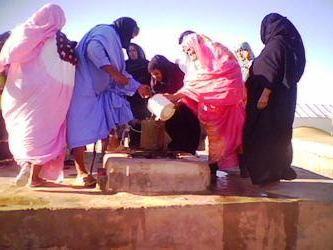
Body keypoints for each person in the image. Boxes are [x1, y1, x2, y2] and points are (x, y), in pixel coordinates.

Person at [67, 17, 150, 186]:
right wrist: (113, 73)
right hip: (83, 88)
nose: (131, 40)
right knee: (79, 130)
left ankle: (97, 164)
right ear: (125, 29)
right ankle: (81, 172)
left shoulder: (114, 41)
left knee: (102, 125)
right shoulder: (106, 32)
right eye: (131, 35)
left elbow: (121, 73)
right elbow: (93, 49)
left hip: (98, 92)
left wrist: (138, 87)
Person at [0, 4, 77, 187]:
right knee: (44, 133)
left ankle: (26, 166)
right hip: (53, 97)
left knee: (24, 129)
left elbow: (10, 53)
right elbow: (71, 68)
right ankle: (34, 175)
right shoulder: (62, 40)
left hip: (23, 90)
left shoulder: (26, 31)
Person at [165, 32, 245, 174]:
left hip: (229, 106)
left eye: (189, 49)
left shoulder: (217, 51)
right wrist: (178, 98)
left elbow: (225, 74)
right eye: (186, 51)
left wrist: (176, 95)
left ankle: (240, 169)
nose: (189, 53)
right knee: (216, 141)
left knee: (235, 138)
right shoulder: (195, 65)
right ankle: (214, 167)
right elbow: (194, 83)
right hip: (211, 110)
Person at [241, 13, 306, 185]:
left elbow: (272, 70)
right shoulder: (289, 46)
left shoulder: (276, 44)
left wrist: (265, 94)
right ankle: (274, 171)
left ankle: (264, 174)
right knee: (277, 136)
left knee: (262, 136)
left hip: (268, 103)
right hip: (281, 102)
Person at [148, 55, 201, 154]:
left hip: (186, 108)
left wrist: (177, 100)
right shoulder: (156, 82)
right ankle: (178, 146)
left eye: (156, 73)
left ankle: (189, 148)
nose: (155, 77)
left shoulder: (177, 74)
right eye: (153, 75)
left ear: (163, 69)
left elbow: (187, 91)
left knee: (188, 123)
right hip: (169, 112)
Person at [125, 43, 151, 148]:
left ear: (139, 51)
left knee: (144, 121)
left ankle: (146, 145)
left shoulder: (147, 64)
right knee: (133, 121)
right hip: (131, 97)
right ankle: (133, 145)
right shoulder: (125, 65)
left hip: (144, 97)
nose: (132, 53)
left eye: (134, 50)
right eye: (129, 51)